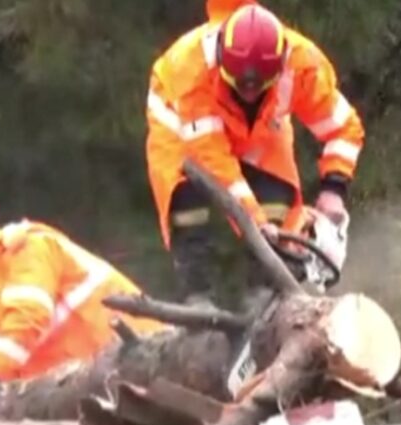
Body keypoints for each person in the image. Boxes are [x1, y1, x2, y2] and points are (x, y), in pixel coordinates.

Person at [144, 0, 365, 308]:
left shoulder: (303, 65)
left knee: (279, 203)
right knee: (189, 205)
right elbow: (216, 166)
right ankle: (199, 297)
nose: (248, 94)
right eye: (239, 85)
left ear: (279, 67)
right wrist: (258, 224)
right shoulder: (191, 74)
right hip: (183, 130)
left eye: (257, 87)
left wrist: (334, 190)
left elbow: (344, 128)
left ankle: (265, 296)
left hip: (258, 131)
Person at [0, 197, 166, 400]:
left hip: (139, 359)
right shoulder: (6, 280)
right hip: (106, 370)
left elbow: (27, 318)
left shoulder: (28, 249)